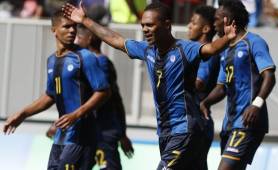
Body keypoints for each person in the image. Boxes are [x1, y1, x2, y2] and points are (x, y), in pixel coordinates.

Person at [62, 2, 236, 169]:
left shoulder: (185, 49)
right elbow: (115, 39)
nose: (145, 29)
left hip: (184, 129)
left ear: (167, 25)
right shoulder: (147, 50)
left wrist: (227, 37)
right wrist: (85, 20)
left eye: (150, 25)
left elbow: (211, 49)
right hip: (167, 132)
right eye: (143, 25)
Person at [2, 10, 110, 170]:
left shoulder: (85, 57)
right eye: (67, 27)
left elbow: (104, 91)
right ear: (54, 30)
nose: (72, 30)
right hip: (62, 136)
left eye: (74, 27)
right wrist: (22, 114)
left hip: (82, 137)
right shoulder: (52, 60)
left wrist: (76, 115)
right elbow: (50, 95)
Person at [200, 0, 276, 170]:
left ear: (228, 21)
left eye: (216, 19)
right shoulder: (225, 50)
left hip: (248, 122)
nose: (213, 24)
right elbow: (221, 88)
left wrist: (256, 105)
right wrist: (205, 103)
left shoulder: (254, 42)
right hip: (230, 124)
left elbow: (269, 76)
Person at [75, 25, 134, 170]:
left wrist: (122, 134)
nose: (75, 40)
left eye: (79, 37)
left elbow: (112, 98)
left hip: (103, 133)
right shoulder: (87, 62)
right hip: (90, 132)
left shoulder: (101, 63)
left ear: (89, 39)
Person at [187, 5, 219, 170]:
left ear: (206, 28)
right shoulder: (195, 51)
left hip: (197, 123)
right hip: (198, 123)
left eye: (193, 22)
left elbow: (199, 82)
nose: (189, 26)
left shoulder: (205, 54)